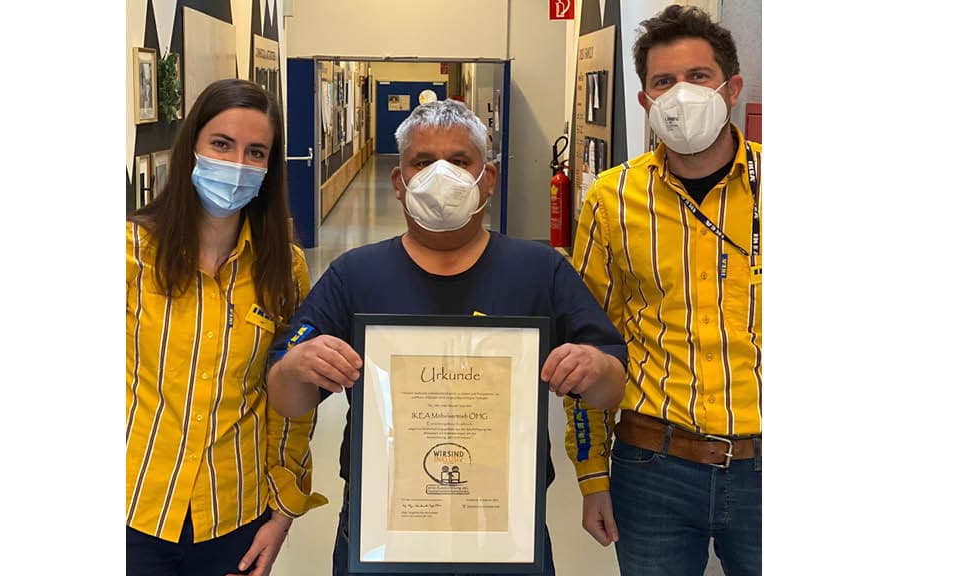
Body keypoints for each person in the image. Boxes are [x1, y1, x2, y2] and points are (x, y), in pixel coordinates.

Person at [266, 99, 629, 576]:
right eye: (422, 162)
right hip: (381, 524)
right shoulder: (354, 275)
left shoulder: (540, 272)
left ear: (487, 178)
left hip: (505, 525)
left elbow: (611, 386)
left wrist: (595, 368)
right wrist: (297, 367)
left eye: (459, 161)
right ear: (400, 183)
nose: (441, 174)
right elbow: (287, 399)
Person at [566, 5, 762, 575]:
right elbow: (588, 345)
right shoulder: (611, 199)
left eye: (698, 76)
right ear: (645, 100)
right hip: (653, 466)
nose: (681, 93)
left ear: (731, 89)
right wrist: (592, 475)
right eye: (663, 81)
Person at [126, 78, 327, 576]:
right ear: (191, 147)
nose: (237, 165)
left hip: (233, 514)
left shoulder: (285, 269)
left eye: (255, 152)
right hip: (132, 506)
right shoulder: (130, 253)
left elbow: (291, 405)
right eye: (221, 144)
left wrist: (283, 511)